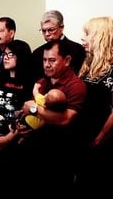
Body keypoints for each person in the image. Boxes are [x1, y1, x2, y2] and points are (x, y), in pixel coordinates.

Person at [18, 39, 87, 196]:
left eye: (52, 60)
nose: (46, 65)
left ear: (67, 60)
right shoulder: (42, 82)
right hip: (37, 149)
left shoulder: (76, 85)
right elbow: (40, 117)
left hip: (60, 155)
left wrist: (34, 109)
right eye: (44, 60)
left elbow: (65, 119)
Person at [0, 40, 34, 198]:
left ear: (21, 56)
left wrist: (8, 138)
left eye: (10, 55)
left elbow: (27, 114)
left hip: (16, 141)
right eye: (4, 54)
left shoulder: (28, 83)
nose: (5, 58)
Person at [76, 16, 113, 196]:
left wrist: (100, 138)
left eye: (87, 34)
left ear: (100, 36)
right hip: (84, 136)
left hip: (103, 141)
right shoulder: (89, 64)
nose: (83, 38)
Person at [32, 10, 86, 80]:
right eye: (43, 31)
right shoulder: (37, 53)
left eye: (51, 30)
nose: (47, 34)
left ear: (61, 27)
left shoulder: (77, 49)